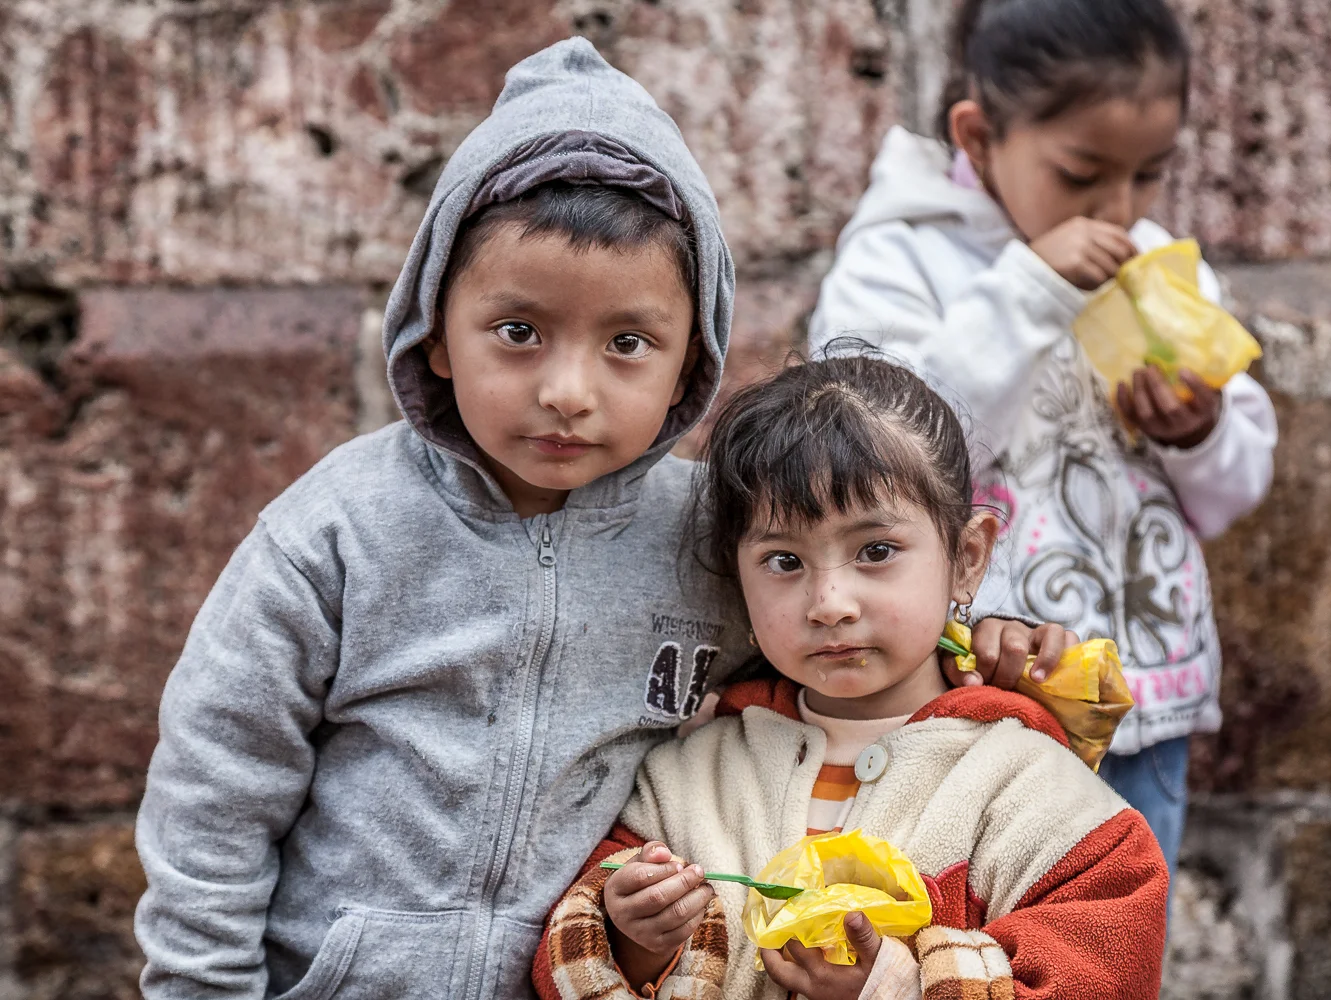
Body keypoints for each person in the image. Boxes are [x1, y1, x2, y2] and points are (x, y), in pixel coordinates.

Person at [133, 38, 1069, 1000]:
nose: (568, 393)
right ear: (436, 328)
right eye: (519, 332)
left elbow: (843, 653)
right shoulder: (336, 531)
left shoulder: (722, 538)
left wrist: (973, 647)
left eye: (628, 342)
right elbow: (217, 788)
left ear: (688, 362)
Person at [807, 0, 1278, 895]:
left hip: (1135, 700)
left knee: (1119, 944)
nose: (1119, 211)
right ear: (979, 137)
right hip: (974, 701)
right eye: (1080, 174)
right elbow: (885, 453)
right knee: (965, 943)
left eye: (1149, 177)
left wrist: (1200, 432)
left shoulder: (1161, 270)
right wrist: (1031, 289)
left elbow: (1236, 486)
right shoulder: (899, 260)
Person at [533, 356, 1168, 1000]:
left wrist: (895, 985)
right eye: (784, 560)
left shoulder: (1036, 795)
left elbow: (1107, 969)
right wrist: (635, 938)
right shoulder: (683, 784)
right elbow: (570, 958)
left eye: (876, 551)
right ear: (736, 579)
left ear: (967, 559)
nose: (830, 601)